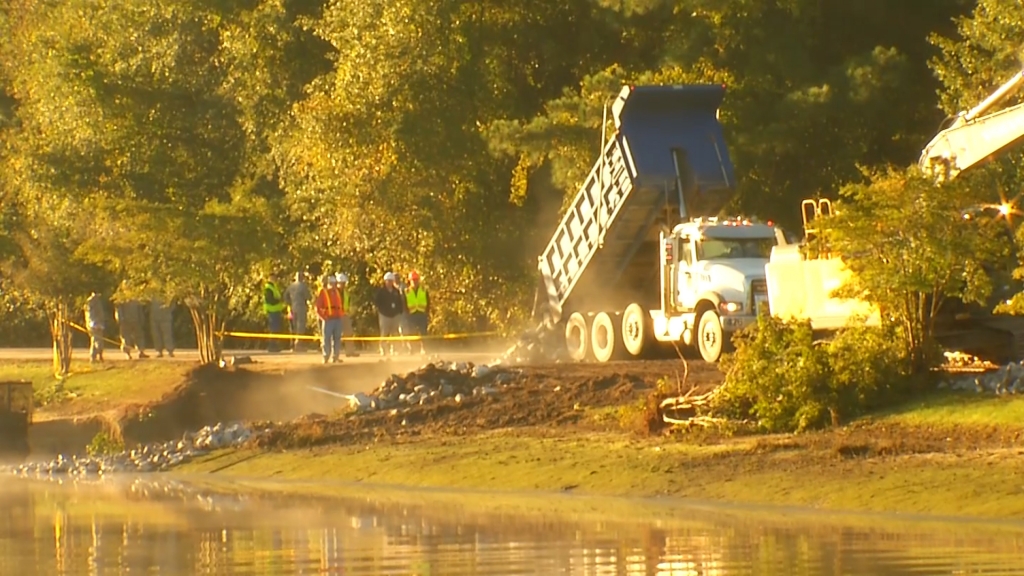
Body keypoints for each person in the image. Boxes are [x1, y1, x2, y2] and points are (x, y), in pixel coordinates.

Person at [373, 271, 405, 356]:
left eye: (391, 280)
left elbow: (399, 302)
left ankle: (395, 350)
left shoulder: (396, 291)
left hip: (395, 315)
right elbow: (377, 302)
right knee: (384, 333)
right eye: (388, 281)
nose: (389, 282)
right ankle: (383, 349)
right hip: (384, 315)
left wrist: (399, 311)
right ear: (385, 281)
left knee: (395, 333)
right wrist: (381, 310)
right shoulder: (381, 291)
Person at [315, 274, 344, 364]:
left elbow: (341, 305)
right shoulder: (323, 293)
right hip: (328, 319)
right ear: (328, 283)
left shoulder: (338, 292)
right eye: (331, 283)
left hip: (337, 319)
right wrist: (323, 317)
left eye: (334, 283)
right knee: (326, 339)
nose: (333, 285)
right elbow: (318, 307)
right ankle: (326, 357)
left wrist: (341, 315)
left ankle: (335, 357)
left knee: (337, 338)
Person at [284, 271, 313, 352]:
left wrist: (289, 304)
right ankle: (299, 345)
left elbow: (285, 296)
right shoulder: (303, 286)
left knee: (294, 326)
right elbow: (308, 297)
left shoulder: (291, 286)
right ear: (302, 277)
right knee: (301, 325)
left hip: (293, 308)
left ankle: (293, 344)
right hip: (301, 307)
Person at [404, 270, 429, 355]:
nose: (414, 282)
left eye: (416, 280)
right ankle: (412, 349)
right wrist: (407, 313)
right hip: (411, 315)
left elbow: (428, 302)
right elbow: (404, 303)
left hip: (422, 314)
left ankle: (424, 348)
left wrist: (426, 312)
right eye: (413, 280)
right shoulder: (406, 291)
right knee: (411, 333)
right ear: (410, 281)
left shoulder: (423, 290)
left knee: (423, 332)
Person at [336, 273, 359, 357]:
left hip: (344, 315)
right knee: (336, 335)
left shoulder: (346, 293)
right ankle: (335, 353)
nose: (343, 285)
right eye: (342, 283)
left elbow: (347, 303)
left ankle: (350, 351)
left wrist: (349, 311)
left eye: (344, 283)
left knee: (349, 333)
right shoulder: (333, 293)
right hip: (336, 316)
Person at [263, 273, 286, 353]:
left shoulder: (274, 287)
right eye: (274, 278)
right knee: (274, 329)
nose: (275, 280)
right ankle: (272, 346)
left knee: (276, 329)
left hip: (276, 311)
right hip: (272, 311)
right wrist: (278, 301)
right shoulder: (268, 288)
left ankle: (275, 345)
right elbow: (270, 300)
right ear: (270, 278)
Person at [85, 292, 106, 364]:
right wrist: (94, 324)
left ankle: (97, 356)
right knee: (96, 341)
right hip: (94, 325)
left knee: (97, 341)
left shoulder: (97, 301)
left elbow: (100, 313)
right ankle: (94, 357)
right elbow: (90, 314)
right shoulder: (90, 301)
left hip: (99, 323)